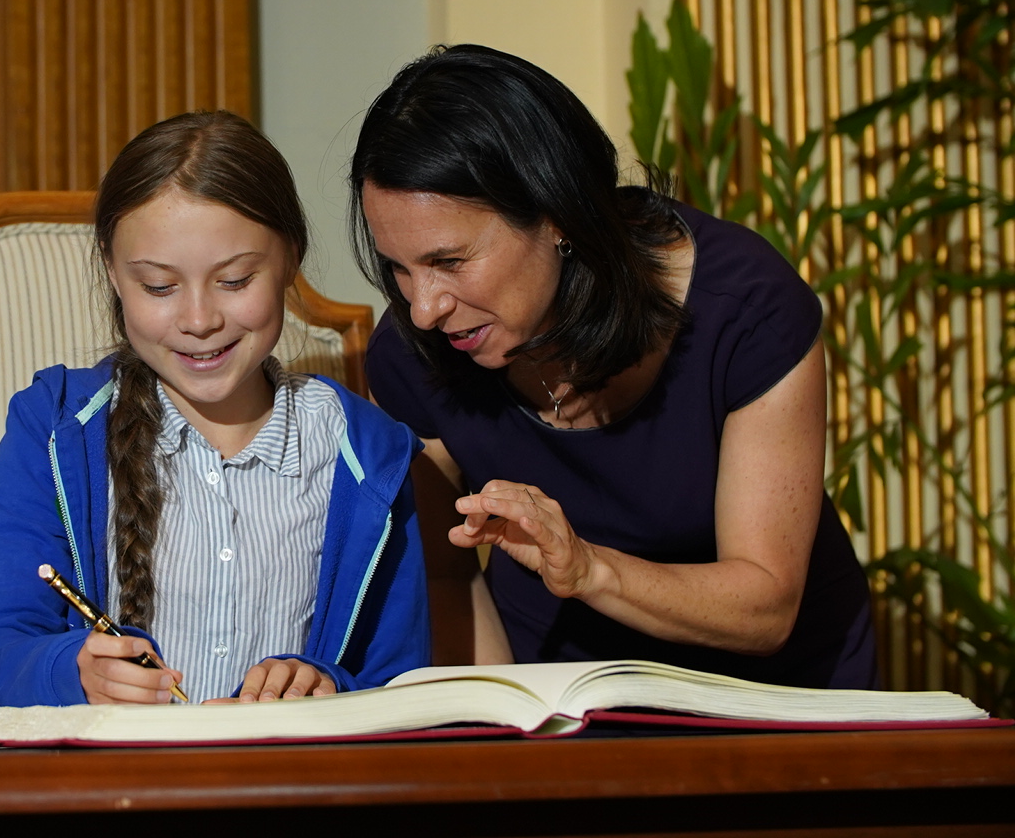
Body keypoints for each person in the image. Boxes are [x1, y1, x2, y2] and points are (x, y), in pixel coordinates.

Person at [349, 45, 878, 689]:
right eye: (399, 268)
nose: (424, 307)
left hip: (775, 695)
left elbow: (765, 605)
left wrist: (588, 569)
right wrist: (497, 725)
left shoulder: (743, 310)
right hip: (563, 689)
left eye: (450, 261)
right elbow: (443, 571)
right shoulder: (413, 350)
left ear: (557, 218)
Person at [0, 111, 430, 710]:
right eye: (159, 287)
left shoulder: (368, 455)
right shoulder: (51, 432)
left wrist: (329, 688)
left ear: (290, 258)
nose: (200, 320)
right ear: (111, 270)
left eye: (234, 280)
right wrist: (73, 672)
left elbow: (403, 687)